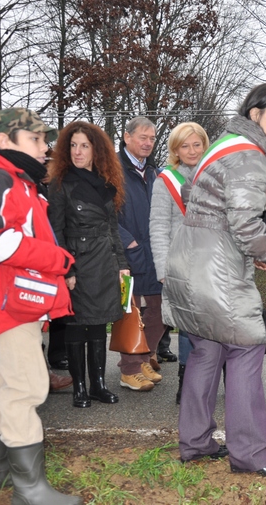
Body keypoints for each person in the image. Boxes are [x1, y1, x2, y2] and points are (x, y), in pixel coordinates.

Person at [165, 83, 266, 476]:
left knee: (206, 351)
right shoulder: (250, 156)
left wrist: (249, 251)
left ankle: (195, 443)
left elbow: (201, 197)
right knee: (248, 348)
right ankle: (249, 455)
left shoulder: (223, 144)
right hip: (215, 271)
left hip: (189, 261)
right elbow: (246, 226)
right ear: (255, 114)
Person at [0, 108, 82, 503]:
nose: (46, 148)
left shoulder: (11, 178)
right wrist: (58, 260)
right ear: (6, 140)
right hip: (7, 301)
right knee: (26, 387)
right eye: (37, 139)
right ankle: (30, 488)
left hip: (6, 298)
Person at [47, 121, 130, 408]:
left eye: (84, 145)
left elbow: (112, 228)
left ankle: (98, 385)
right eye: (72, 145)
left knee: (98, 324)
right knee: (74, 324)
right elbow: (55, 231)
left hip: (104, 260)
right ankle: (79, 389)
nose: (77, 152)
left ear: (96, 150)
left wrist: (121, 263)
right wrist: (65, 269)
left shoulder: (106, 183)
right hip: (77, 261)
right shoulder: (60, 184)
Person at [149, 122, 207, 404]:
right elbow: (158, 228)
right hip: (181, 265)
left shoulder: (217, 176)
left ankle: (215, 382)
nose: (192, 150)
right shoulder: (166, 180)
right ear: (175, 150)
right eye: (185, 145)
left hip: (215, 264)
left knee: (216, 326)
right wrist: (163, 270)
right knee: (187, 327)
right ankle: (187, 384)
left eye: (197, 144)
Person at [116, 117, 164, 391]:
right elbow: (106, 214)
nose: (148, 143)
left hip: (153, 254)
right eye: (142, 137)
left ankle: (144, 358)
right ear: (126, 137)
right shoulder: (112, 170)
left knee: (158, 311)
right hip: (126, 256)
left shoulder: (154, 173)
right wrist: (129, 243)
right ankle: (130, 370)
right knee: (130, 311)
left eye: (152, 138)